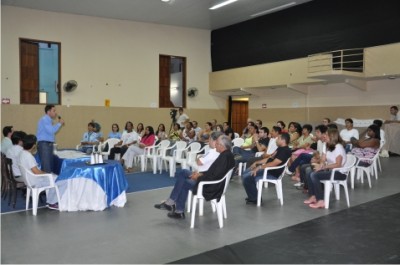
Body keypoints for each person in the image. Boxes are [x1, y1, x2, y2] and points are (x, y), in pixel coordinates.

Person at [155, 134, 235, 219]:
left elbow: (215, 177)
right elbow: (214, 173)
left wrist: (198, 177)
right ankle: (172, 204)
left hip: (211, 188)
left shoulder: (224, 157)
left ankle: (177, 209)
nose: (216, 145)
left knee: (184, 183)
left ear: (221, 146)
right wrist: (200, 174)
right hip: (212, 183)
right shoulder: (227, 155)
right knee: (183, 173)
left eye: (217, 143)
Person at [241, 133, 292, 205]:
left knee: (247, 177)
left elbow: (274, 163)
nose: (276, 140)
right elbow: (269, 159)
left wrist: (259, 167)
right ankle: (253, 196)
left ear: (283, 140)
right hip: (268, 169)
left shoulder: (285, 151)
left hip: (272, 173)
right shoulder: (280, 148)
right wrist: (256, 163)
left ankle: (254, 199)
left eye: (278, 138)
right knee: (245, 172)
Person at [304, 128, 347, 209]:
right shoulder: (326, 145)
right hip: (331, 170)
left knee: (314, 175)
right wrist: (320, 165)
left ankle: (321, 201)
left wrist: (323, 167)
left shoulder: (338, 147)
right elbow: (323, 159)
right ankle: (313, 196)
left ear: (332, 136)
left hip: (339, 173)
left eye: (326, 134)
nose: (324, 136)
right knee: (310, 171)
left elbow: (338, 164)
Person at [18, 134, 59, 209]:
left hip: (28, 180)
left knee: (52, 176)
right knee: (57, 179)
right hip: (35, 181)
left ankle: (50, 199)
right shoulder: (28, 156)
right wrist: (47, 173)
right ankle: (52, 202)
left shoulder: (22, 153)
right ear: (33, 145)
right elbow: (36, 172)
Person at [36, 104, 64, 173]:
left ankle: (48, 182)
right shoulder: (45, 119)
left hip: (47, 145)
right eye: (54, 111)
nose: (55, 112)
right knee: (46, 167)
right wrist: (59, 123)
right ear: (48, 112)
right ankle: (46, 183)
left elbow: (50, 131)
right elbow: (51, 131)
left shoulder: (48, 120)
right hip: (44, 145)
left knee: (49, 166)